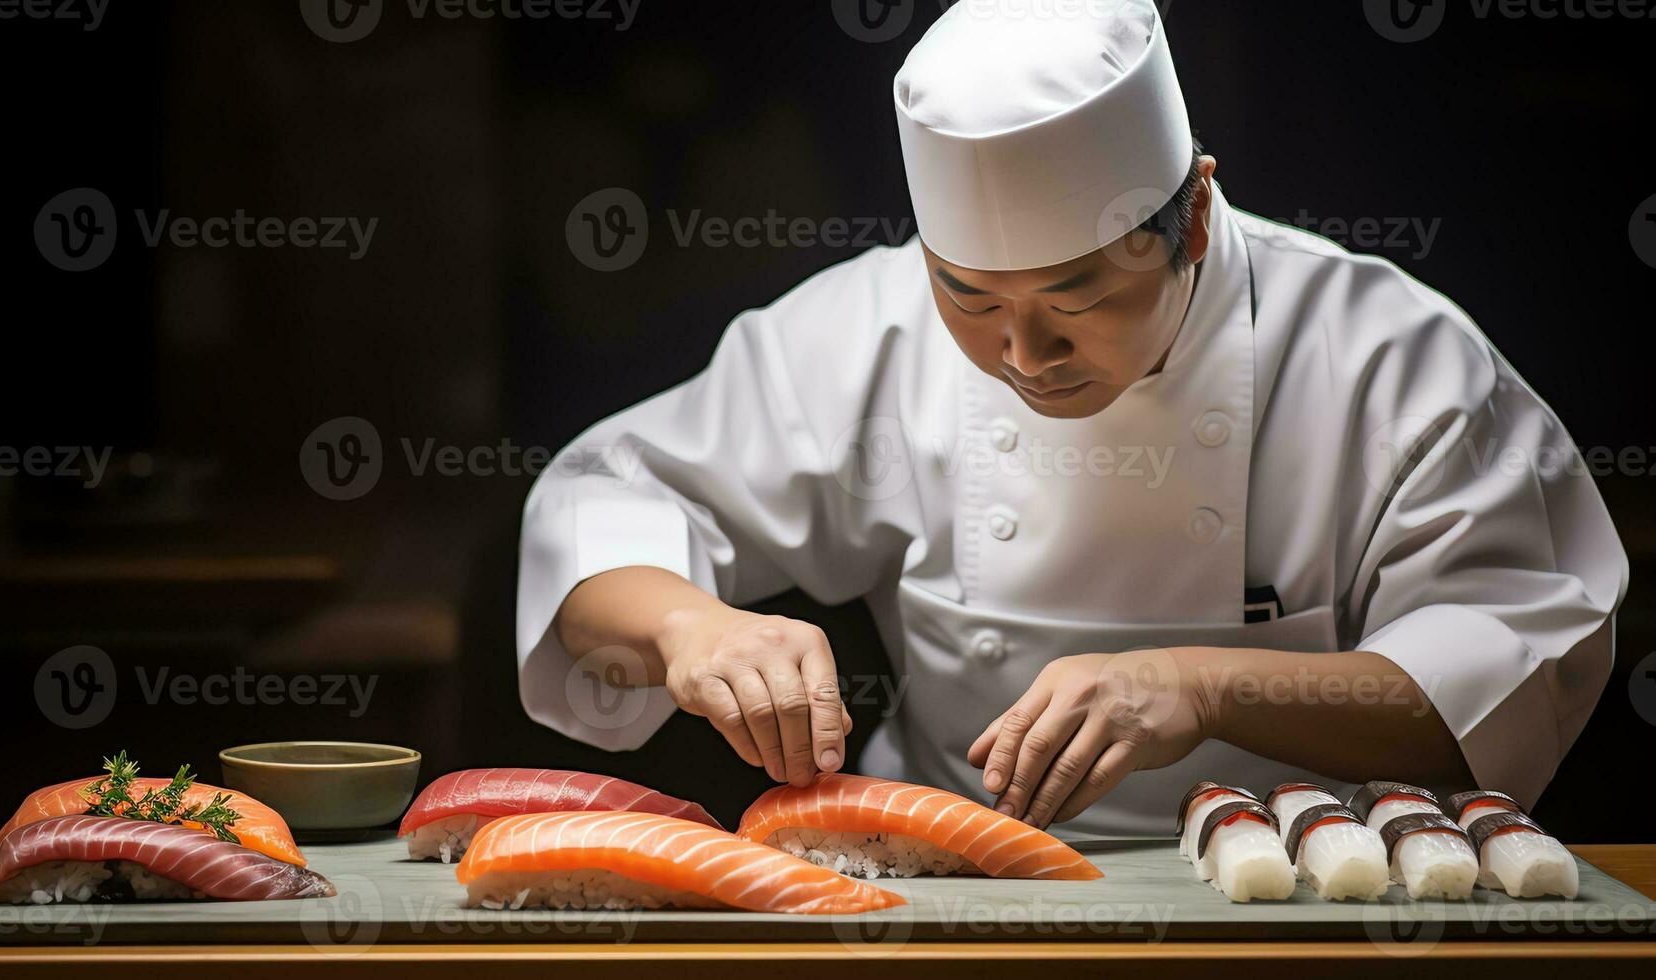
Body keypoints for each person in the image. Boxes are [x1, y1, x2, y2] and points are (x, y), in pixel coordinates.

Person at [514, 0, 1627, 834]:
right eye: (971, 297)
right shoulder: (869, 326)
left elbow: (1514, 663)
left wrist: (1199, 683)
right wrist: (693, 628)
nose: (1021, 356)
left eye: (1078, 297)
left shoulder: (1389, 355)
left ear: (1191, 213)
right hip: (941, 874)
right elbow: (604, 498)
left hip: (1304, 888)